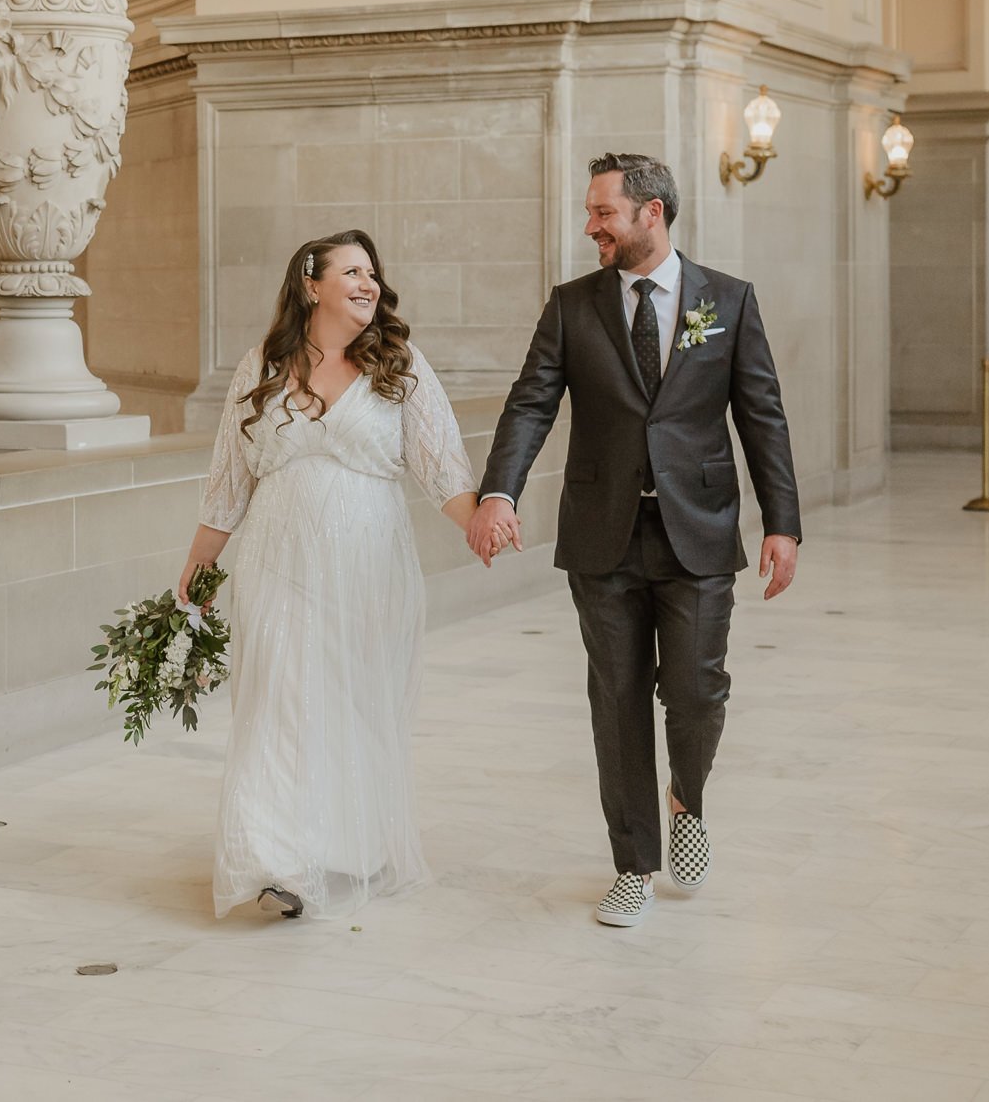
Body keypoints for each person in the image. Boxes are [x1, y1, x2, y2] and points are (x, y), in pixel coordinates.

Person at [469, 153, 801, 928]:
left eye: (603, 213)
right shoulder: (571, 306)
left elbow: (763, 416)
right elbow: (530, 404)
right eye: (591, 213)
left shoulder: (728, 300)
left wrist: (781, 521)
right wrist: (498, 490)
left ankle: (688, 798)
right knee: (616, 701)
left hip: (700, 530)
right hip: (603, 535)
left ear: (651, 213)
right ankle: (633, 865)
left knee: (695, 690)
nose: (591, 227)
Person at [180, 230, 478, 921]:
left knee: (350, 699)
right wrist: (192, 582)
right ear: (311, 283)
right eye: (353, 270)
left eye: (373, 271)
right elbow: (227, 485)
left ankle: (345, 839)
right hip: (276, 566)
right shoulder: (261, 364)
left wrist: (482, 522)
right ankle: (274, 856)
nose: (369, 282)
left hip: (370, 569)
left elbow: (443, 470)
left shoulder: (398, 366)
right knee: (277, 701)